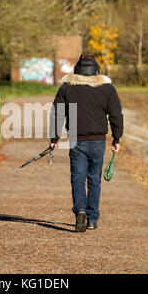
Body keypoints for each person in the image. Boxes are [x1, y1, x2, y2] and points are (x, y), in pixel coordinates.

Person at [49, 52, 123, 232]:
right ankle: (91, 219)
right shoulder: (107, 88)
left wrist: (54, 138)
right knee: (94, 180)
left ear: (77, 68)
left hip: (76, 141)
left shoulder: (67, 87)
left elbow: (57, 113)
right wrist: (116, 138)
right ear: (96, 69)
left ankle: (80, 211)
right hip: (98, 141)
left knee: (77, 178)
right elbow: (116, 114)